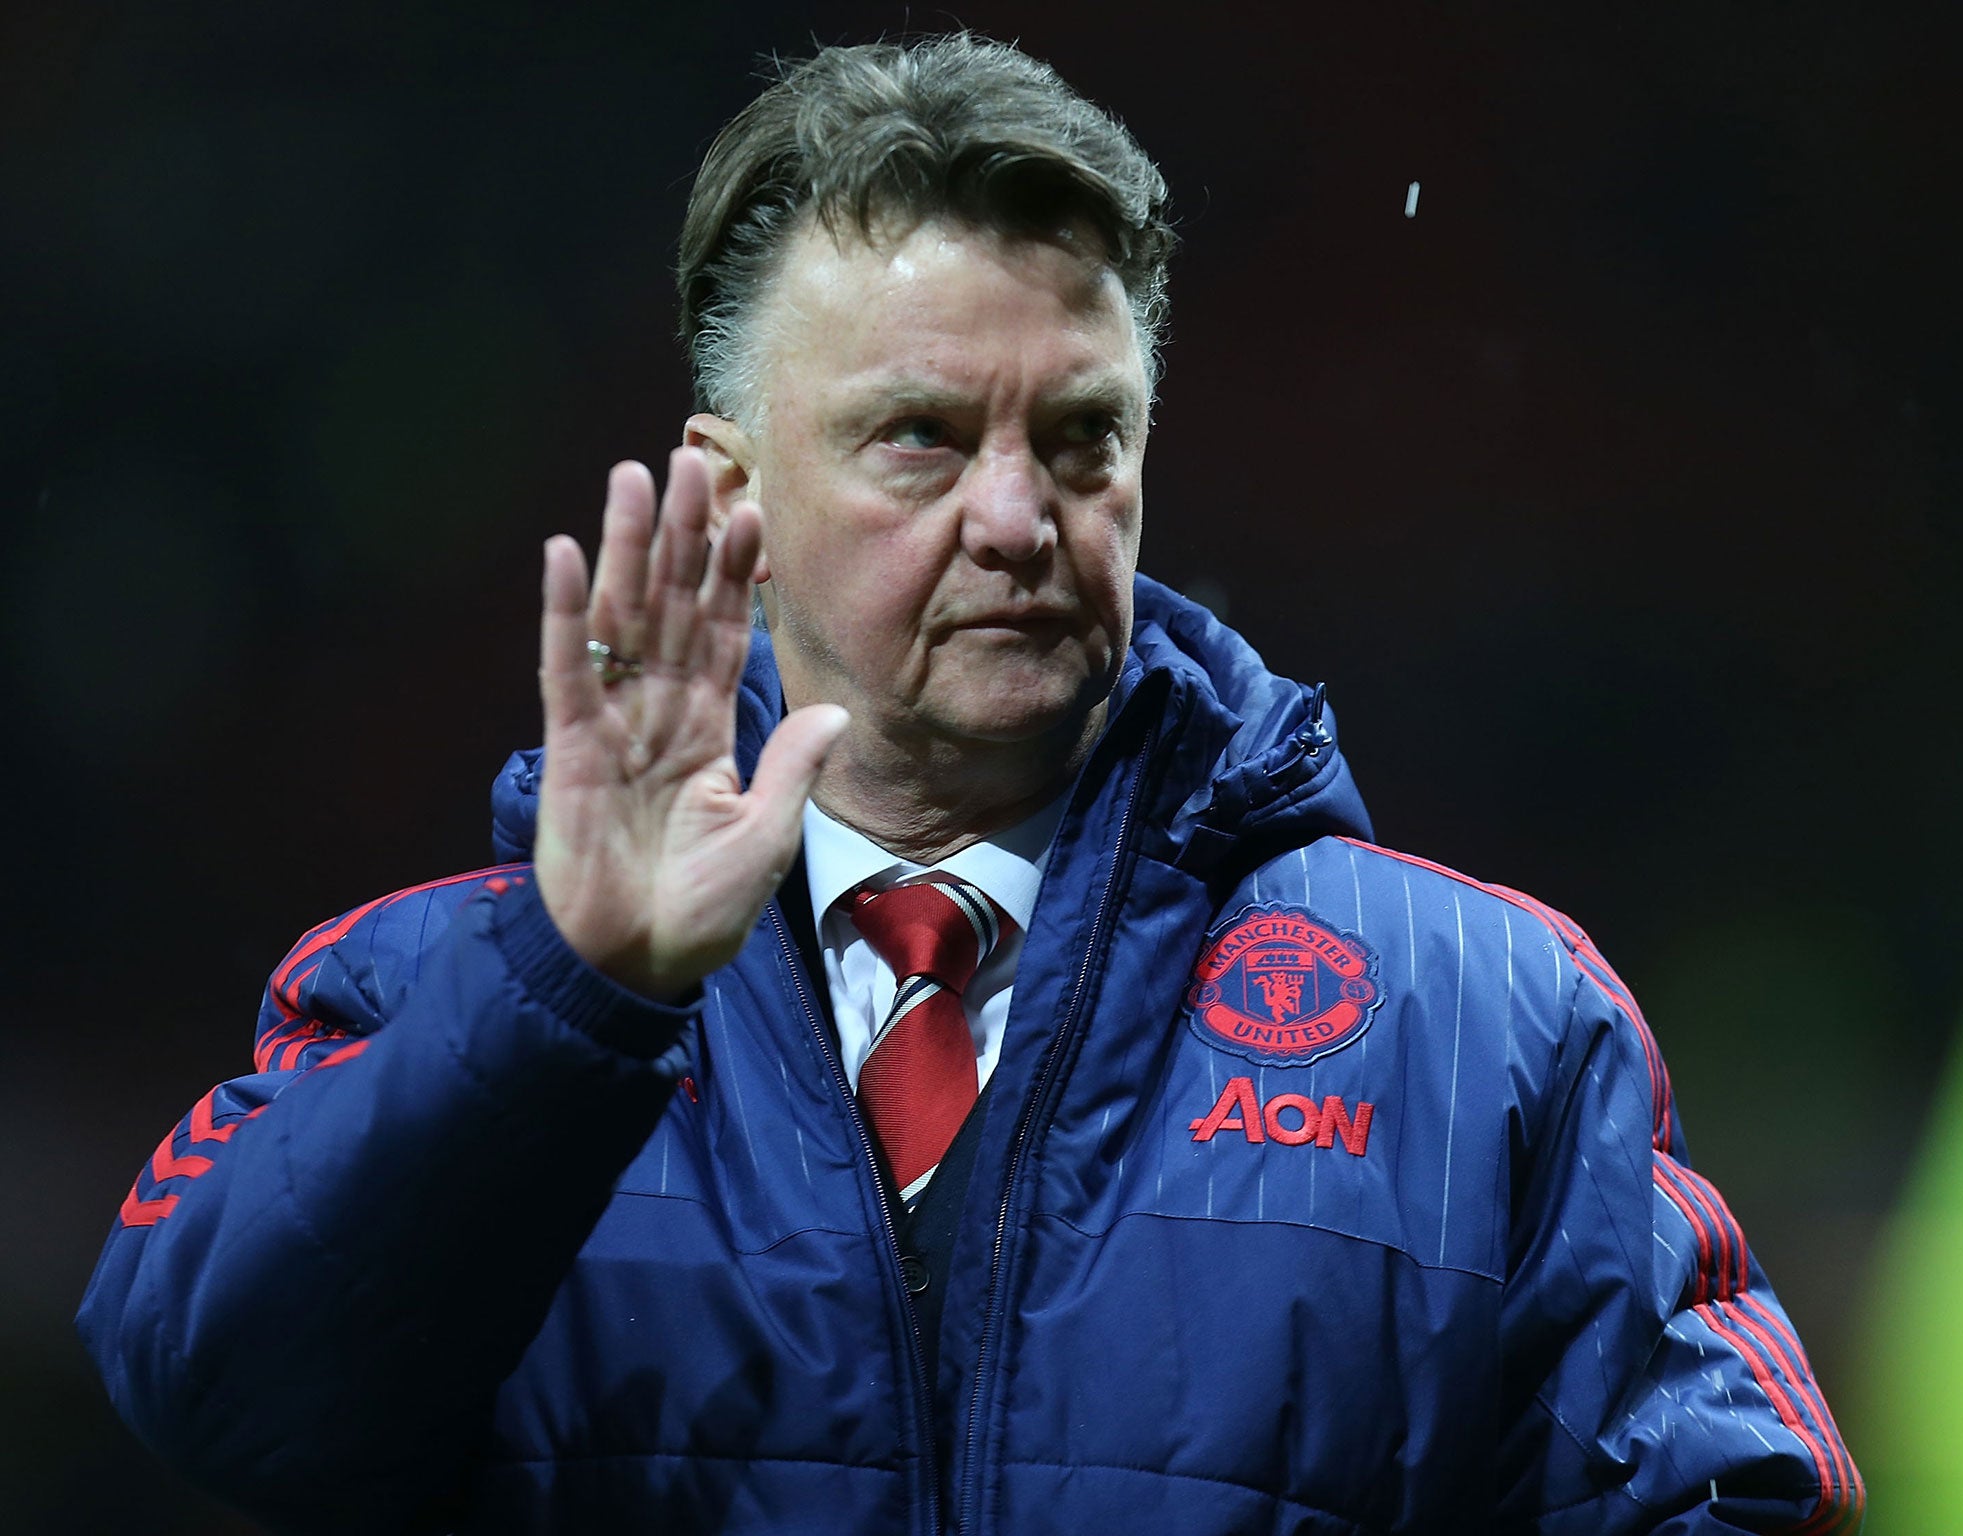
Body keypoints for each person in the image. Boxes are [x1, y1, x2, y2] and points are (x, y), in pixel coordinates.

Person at [78, 34, 1862, 1535]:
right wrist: (573, 996)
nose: (1018, 518)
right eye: (922, 436)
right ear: (731, 490)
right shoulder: (433, 996)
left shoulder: (1488, 1026)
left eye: (1082, 438)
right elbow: (219, 1406)